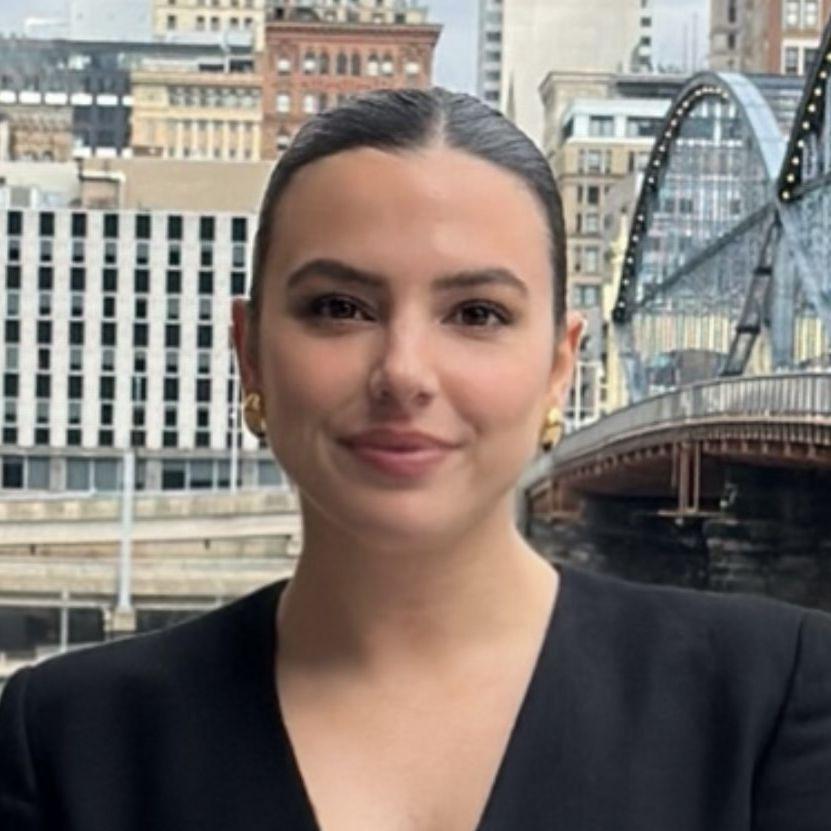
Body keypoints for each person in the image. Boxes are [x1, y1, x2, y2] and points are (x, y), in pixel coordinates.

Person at [0, 86, 829, 831]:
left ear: (558, 365)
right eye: (339, 307)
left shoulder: (774, 702)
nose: (403, 372)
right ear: (249, 353)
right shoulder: (67, 740)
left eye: (475, 313)